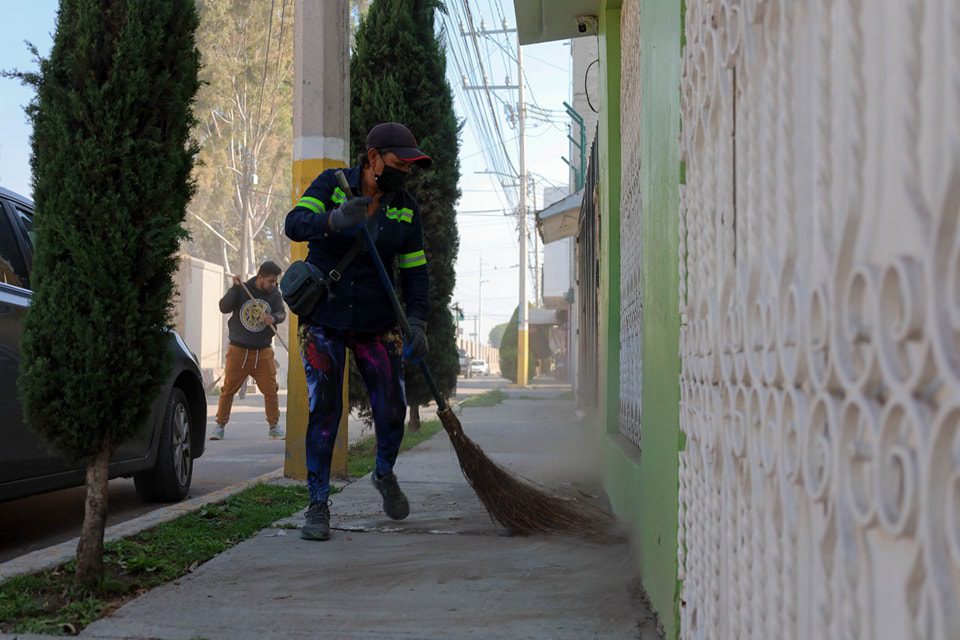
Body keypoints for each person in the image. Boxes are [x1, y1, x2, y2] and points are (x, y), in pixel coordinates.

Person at [285, 122, 431, 541]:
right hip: (324, 319)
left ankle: (383, 474)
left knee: (392, 409)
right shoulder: (332, 184)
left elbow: (416, 274)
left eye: (410, 166)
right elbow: (294, 223)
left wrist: (417, 322)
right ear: (372, 158)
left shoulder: (406, 209)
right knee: (325, 409)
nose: (406, 171)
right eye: (399, 163)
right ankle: (317, 504)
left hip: (376, 323)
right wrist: (331, 220)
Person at [213, 260, 287, 440]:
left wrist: (273, 318)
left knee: (271, 390)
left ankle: (274, 426)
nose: (273, 284)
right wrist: (234, 289)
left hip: (263, 351)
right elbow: (223, 307)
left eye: (275, 281)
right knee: (228, 389)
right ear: (260, 277)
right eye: (270, 280)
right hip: (238, 349)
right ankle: (220, 426)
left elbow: (282, 313)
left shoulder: (274, 293)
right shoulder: (243, 289)